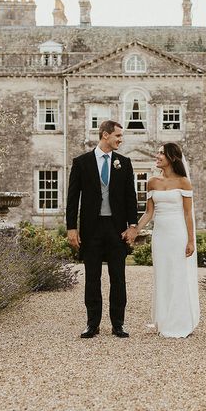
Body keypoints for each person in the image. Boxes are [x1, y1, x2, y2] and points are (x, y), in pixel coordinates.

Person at [66, 120, 138, 339]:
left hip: (117, 230)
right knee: (92, 278)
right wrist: (71, 228)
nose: (120, 140)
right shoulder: (82, 162)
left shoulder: (123, 163)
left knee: (118, 278)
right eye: (117, 136)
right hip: (91, 229)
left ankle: (118, 324)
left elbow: (130, 198)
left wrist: (132, 226)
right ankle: (92, 324)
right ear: (105, 135)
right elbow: (72, 198)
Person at [135, 143, 200, 338]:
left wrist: (191, 241)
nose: (157, 156)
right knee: (162, 275)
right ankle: (163, 320)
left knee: (178, 274)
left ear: (172, 157)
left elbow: (188, 214)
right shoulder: (152, 182)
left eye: (161, 153)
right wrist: (134, 230)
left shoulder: (183, 183)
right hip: (160, 235)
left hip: (178, 234)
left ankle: (179, 321)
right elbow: (148, 213)